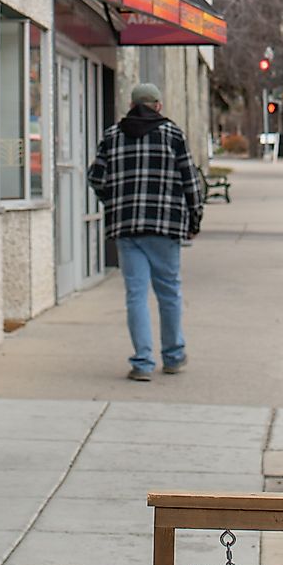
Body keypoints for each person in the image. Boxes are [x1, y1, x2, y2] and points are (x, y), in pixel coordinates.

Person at [86, 82, 204, 382]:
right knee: (169, 292)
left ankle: (142, 362)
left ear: (132, 104)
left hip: (127, 227)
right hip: (165, 226)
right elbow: (190, 180)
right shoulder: (172, 134)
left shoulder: (112, 136)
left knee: (135, 295)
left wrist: (115, 202)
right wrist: (194, 219)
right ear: (158, 105)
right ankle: (174, 356)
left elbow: (96, 177)